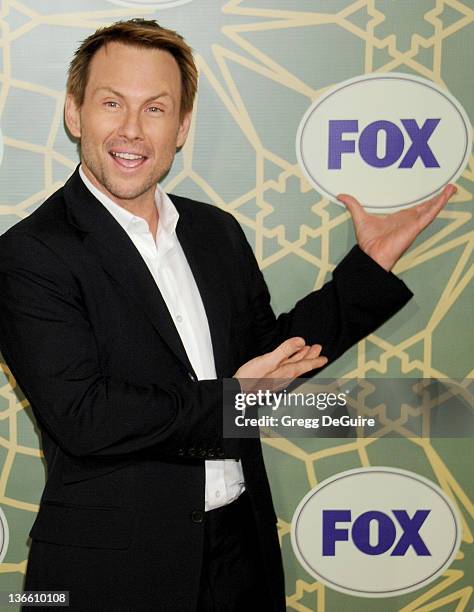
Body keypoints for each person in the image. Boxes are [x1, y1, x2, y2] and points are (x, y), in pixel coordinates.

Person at [0, 18, 455, 612]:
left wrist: (367, 269)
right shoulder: (29, 254)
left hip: (240, 557)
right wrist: (238, 395)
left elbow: (272, 360)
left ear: (183, 126)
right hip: (109, 571)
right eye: (111, 103)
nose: (131, 129)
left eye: (156, 109)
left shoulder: (215, 231)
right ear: (74, 113)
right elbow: (86, 416)